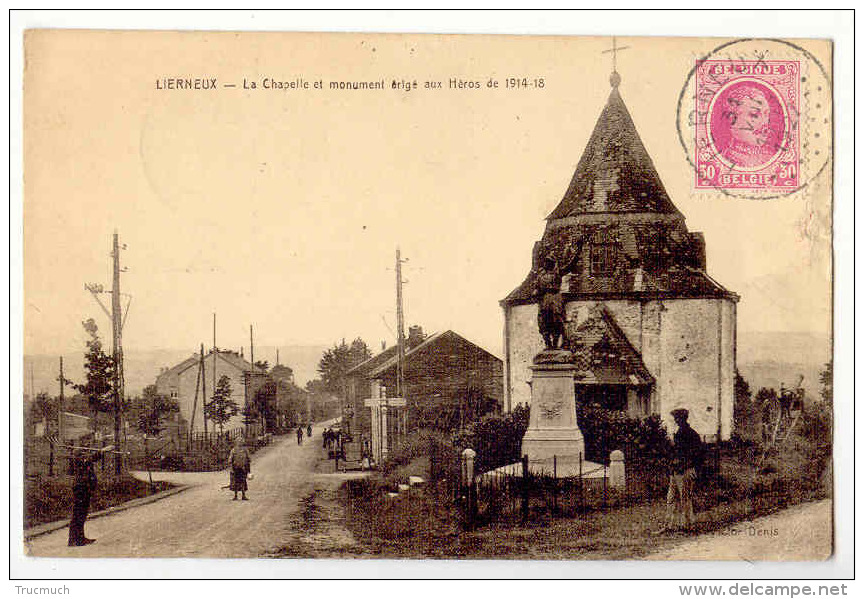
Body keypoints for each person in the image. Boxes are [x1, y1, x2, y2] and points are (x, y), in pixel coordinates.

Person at [718, 85, 776, 169]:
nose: (764, 123)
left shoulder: (769, 157)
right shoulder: (726, 159)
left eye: (766, 114)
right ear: (732, 118)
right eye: (754, 115)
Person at [665, 408, 704, 532]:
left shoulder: (691, 434)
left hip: (686, 471)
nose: (676, 421)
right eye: (675, 418)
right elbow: (674, 453)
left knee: (685, 498)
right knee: (671, 498)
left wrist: (690, 467)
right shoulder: (678, 433)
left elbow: (698, 454)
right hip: (675, 471)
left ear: (683, 419)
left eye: (678, 418)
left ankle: (687, 526)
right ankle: (669, 525)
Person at [68, 443, 112, 547]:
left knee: (82, 514)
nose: (85, 455)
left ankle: (80, 538)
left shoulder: (84, 461)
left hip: (84, 489)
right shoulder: (79, 461)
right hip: (80, 489)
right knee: (78, 514)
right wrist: (103, 451)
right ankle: (74, 540)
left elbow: (91, 459)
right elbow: (92, 458)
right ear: (79, 456)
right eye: (83, 454)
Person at [228, 436, 251, 501]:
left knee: (243, 482)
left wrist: (248, 468)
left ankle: (243, 496)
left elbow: (249, 458)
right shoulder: (233, 450)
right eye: (238, 441)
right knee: (235, 482)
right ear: (236, 442)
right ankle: (235, 496)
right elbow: (230, 460)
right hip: (235, 468)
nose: (240, 443)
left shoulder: (245, 450)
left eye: (241, 441)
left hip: (243, 468)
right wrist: (231, 468)